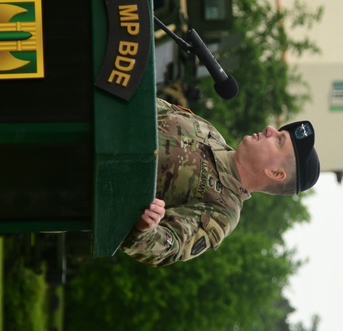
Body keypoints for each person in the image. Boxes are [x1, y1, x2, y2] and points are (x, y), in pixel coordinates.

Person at [120, 99, 320, 266]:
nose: (269, 129)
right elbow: (146, 103)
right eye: (278, 132)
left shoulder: (223, 211)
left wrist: (146, 228)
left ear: (275, 172)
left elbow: (171, 246)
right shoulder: (211, 133)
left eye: (279, 141)